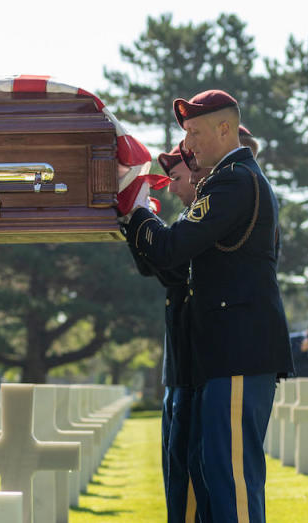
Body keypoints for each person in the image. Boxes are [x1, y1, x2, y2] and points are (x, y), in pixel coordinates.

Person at [121, 90, 293, 522]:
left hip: (237, 353)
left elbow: (171, 248)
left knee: (230, 485)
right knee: (211, 479)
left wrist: (135, 207)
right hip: (222, 356)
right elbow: (171, 265)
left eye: (194, 132)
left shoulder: (233, 180)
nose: (188, 145)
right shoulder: (226, 180)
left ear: (224, 129)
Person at [127, 145, 212, 521]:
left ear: (198, 175)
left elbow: (174, 267)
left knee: (192, 478)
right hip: (178, 370)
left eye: (176, 178)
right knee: (177, 478)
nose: (172, 189)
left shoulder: (207, 222)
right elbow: (155, 268)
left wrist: (139, 215)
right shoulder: (188, 221)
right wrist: (134, 224)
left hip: (195, 369)